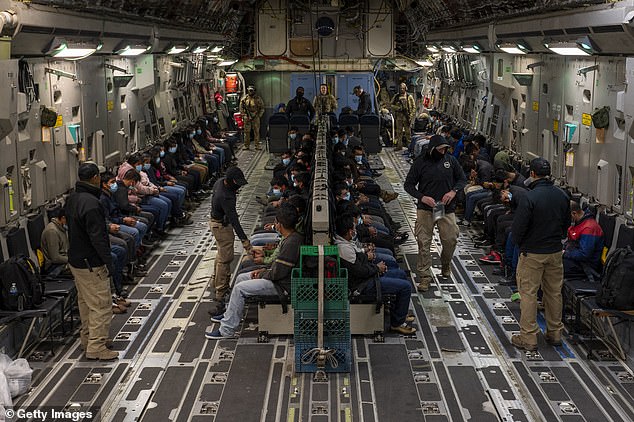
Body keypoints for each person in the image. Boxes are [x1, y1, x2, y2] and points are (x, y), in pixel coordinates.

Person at [206, 203, 302, 339]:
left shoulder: (292, 243)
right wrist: (264, 269)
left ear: (279, 224)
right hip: (278, 278)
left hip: (282, 285)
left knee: (240, 289)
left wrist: (262, 273)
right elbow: (278, 268)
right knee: (241, 278)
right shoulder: (291, 238)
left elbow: (277, 273)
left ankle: (226, 330)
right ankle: (229, 314)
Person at [510, 157, 570, 351]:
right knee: (554, 293)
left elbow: (518, 229)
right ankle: (555, 333)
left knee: (528, 293)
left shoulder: (530, 197)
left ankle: (528, 337)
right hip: (554, 252)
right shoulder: (562, 196)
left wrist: (522, 244)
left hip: (533, 253)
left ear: (532, 174)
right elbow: (566, 225)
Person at [64, 163, 118, 361]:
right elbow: (98, 238)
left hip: (76, 260)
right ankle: (96, 347)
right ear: (95, 177)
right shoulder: (93, 204)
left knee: (86, 303)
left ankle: (89, 339)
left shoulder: (73, 199)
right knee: (101, 305)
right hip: (90, 263)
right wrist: (108, 263)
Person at [404, 135, 467, 292]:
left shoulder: (451, 161)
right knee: (423, 242)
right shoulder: (420, 163)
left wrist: (453, 191)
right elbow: (409, 185)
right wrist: (422, 197)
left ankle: (445, 263)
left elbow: (462, 179)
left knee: (450, 239)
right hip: (426, 209)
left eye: (445, 149)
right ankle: (425, 276)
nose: (443, 151)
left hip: (444, 208)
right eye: (440, 149)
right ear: (432, 149)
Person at [334, 214, 416, 335]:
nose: (355, 231)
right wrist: (376, 268)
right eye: (354, 229)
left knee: (400, 274)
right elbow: (360, 271)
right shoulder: (344, 249)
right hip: (363, 285)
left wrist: (374, 266)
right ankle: (397, 323)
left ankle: (398, 312)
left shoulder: (346, 243)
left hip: (366, 276)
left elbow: (360, 262)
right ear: (349, 232)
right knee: (405, 287)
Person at [209, 166, 252, 308]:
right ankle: (221, 292)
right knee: (225, 258)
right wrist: (245, 241)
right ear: (232, 182)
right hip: (221, 226)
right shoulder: (225, 196)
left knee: (221, 253)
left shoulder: (220, 182)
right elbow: (234, 220)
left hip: (216, 223)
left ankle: (214, 282)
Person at [563, 201, 604, 279]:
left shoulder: (588, 228)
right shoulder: (579, 223)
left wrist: (565, 253)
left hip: (585, 266)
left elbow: (584, 255)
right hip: (576, 260)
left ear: (574, 213)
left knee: (552, 268)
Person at [40, 208, 70, 277]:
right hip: (54, 267)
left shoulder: (61, 228)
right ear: (63, 218)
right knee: (82, 269)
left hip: (62, 261)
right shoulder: (52, 232)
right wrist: (72, 260)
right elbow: (55, 258)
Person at [390, 83, 416, 151]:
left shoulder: (409, 96)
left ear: (405, 89)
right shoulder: (396, 96)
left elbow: (414, 107)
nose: (402, 89)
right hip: (399, 117)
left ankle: (409, 146)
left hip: (407, 117)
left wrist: (410, 116)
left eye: (403, 88)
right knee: (399, 132)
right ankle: (399, 146)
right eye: (401, 88)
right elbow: (391, 105)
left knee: (408, 132)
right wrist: (398, 108)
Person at [239, 85, 265, 150]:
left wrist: (259, 115)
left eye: (251, 90)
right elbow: (241, 107)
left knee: (256, 132)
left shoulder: (258, 99)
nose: (250, 92)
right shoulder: (245, 98)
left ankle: (257, 145)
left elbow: (262, 108)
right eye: (249, 90)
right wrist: (244, 115)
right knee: (246, 132)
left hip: (255, 117)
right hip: (247, 117)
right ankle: (246, 145)